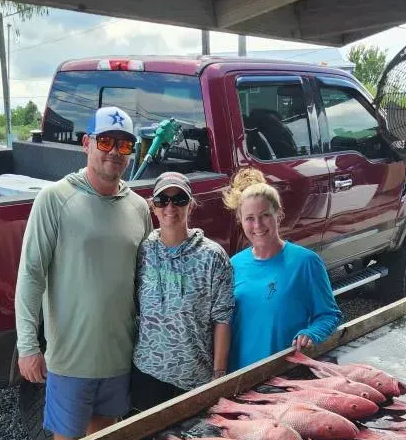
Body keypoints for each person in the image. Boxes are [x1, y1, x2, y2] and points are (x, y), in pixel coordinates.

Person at [15, 106, 151, 440]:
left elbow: (145, 280)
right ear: (87, 143)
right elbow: (31, 274)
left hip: (118, 355)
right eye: (106, 142)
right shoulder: (55, 199)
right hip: (71, 359)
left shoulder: (138, 207)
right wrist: (28, 346)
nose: (114, 153)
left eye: (124, 146)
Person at [131, 172, 234, 411]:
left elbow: (222, 319)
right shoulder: (142, 251)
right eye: (162, 200)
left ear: (191, 205)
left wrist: (219, 375)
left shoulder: (213, 256)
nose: (170, 207)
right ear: (153, 206)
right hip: (146, 375)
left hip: (194, 380)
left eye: (179, 199)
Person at [223, 167, 341, 371]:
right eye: (249, 218)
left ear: (279, 215)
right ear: (240, 221)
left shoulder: (306, 262)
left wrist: (311, 333)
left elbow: (329, 315)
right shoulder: (234, 265)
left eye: (265, 215)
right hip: (240, 375)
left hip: (285, 374)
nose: (258, 225)